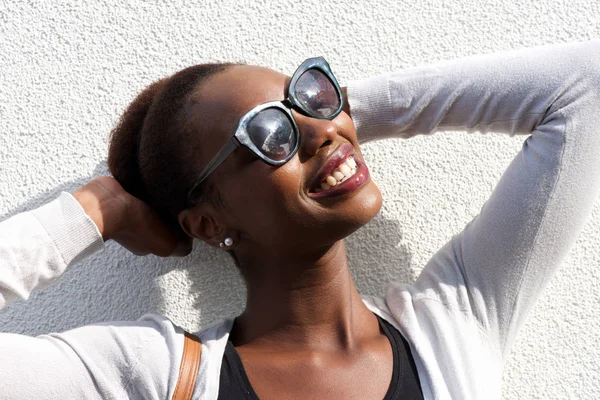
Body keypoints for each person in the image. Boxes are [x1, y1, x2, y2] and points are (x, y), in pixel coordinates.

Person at [1, 40, 599, 399]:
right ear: (208, 225)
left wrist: (340, 116)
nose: (316, 129)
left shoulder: (457, 322)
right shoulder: (154, 377)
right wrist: (94, 212)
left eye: (308, 96)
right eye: (267, 133)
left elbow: (584, 83)